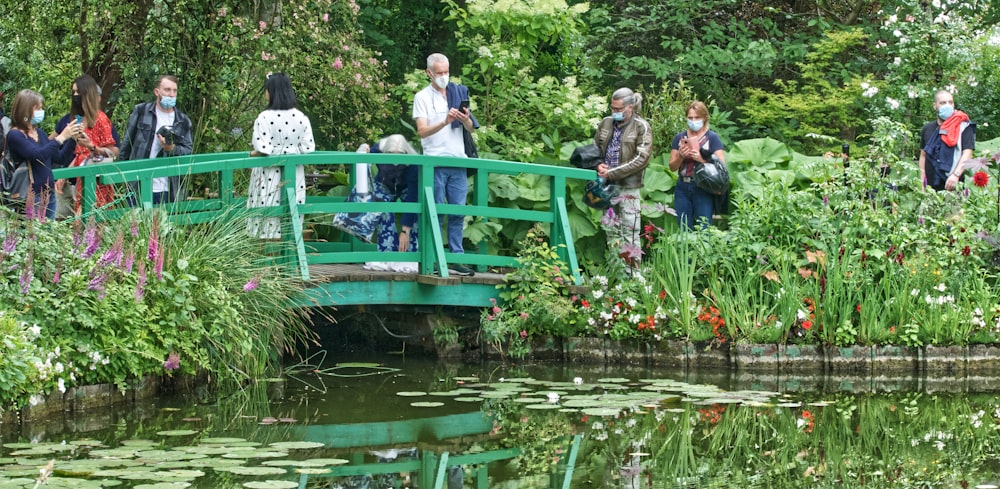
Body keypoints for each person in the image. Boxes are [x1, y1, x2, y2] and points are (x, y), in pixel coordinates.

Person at [411, 52, 478, 277]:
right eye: (439, 73)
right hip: (435, 162)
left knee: (458, 212)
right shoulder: (421, 97)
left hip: (458, 160)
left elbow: (471, 128)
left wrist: (464, 118)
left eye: (446, 72)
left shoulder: (458, 92)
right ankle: (434, 257)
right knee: (436, 212)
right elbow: (421, 131)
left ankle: (456, 258)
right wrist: (444, 121)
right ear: (429, 73)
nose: (444, 76)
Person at [246, 72, 315, 239]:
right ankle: (286, 262)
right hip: (294, 175)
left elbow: (263, 148)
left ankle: (265, 263)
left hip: (268, 174)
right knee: (289, 217)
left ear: (271, 92)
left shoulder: (264, 117)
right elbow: (308, 147)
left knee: (265, 217)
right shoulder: (301, 117)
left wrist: (251, 154)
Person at [594, 88, 653, 256]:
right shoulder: (605, 122)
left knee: (630, 231)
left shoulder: (641, 126)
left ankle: (633, 276)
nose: (614, 112)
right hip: (607, 186)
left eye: (618, 109)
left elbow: (641, 159)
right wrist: (598, 165)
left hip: (629, 186)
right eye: (612, 108)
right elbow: (595, 149)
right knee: (610, 230)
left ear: (630, 107)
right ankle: (614, 274)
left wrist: (612, 172)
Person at [119, 75, 194, 205]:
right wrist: (124, 177)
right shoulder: (141, 111)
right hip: (138, 184)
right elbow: (126, 145)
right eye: (167, 90)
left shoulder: (183, 120)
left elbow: (188, 151)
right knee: (134, 224)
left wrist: (171, 149)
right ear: (157, 92)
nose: (171, 94)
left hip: (168, 187)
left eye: (174, 91)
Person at [53, 76, 122, 219]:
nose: (75, 96)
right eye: (73, 93)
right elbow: (80, 154)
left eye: (78, 92)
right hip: (81, 178)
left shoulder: (101, 119)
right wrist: (64, 175)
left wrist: (92, 147)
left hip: (96, 180)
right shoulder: (78, 119)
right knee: (80, 225)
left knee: (89, 222)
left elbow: (113, 152)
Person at [4, 89, 80, 220]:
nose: (41, 111)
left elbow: (59, 157)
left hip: (48, 193)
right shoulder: (15, 135)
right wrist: (61, 137)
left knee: (48, 232)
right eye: (38, 108)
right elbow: (37, 155)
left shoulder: (40, 133)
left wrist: (73, 139)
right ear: (25, 110)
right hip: (31, 196)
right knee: (32, 235)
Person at [359, 134, 419, 273]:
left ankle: (410, 256)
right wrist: (365, 149)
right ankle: (386, 255)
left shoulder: (413, 165)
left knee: (415, 216)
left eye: (400, 155)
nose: (396, 160)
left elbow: (412, 197)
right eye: (392, 154)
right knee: (384, 212)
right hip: (384, 183)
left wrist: (405, 231)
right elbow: (365, 153)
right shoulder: (378, 150)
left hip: (405, 187)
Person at [669, 101, 726, 230]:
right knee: (683, 228)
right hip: (683, 186)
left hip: (703, 187)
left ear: (704, 118)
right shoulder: (679, 138)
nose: (693, 121)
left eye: (697, 117)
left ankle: (704, 250)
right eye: (690, 118)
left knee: (704, 227)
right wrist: (681, 156)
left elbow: (721, 166)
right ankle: (685, 250)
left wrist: (701, 159)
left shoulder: (712, 138)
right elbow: (672, 167)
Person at [919, 90, 975, 191]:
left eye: (950, 102)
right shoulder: (927, 128)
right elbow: (923, 155)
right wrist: (922, 179)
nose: (947, 105)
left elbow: (968, 153)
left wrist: (956, 175)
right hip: (929, 188)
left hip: (953, 185)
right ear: (935, 105)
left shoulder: (964, 127)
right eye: (943, 103)